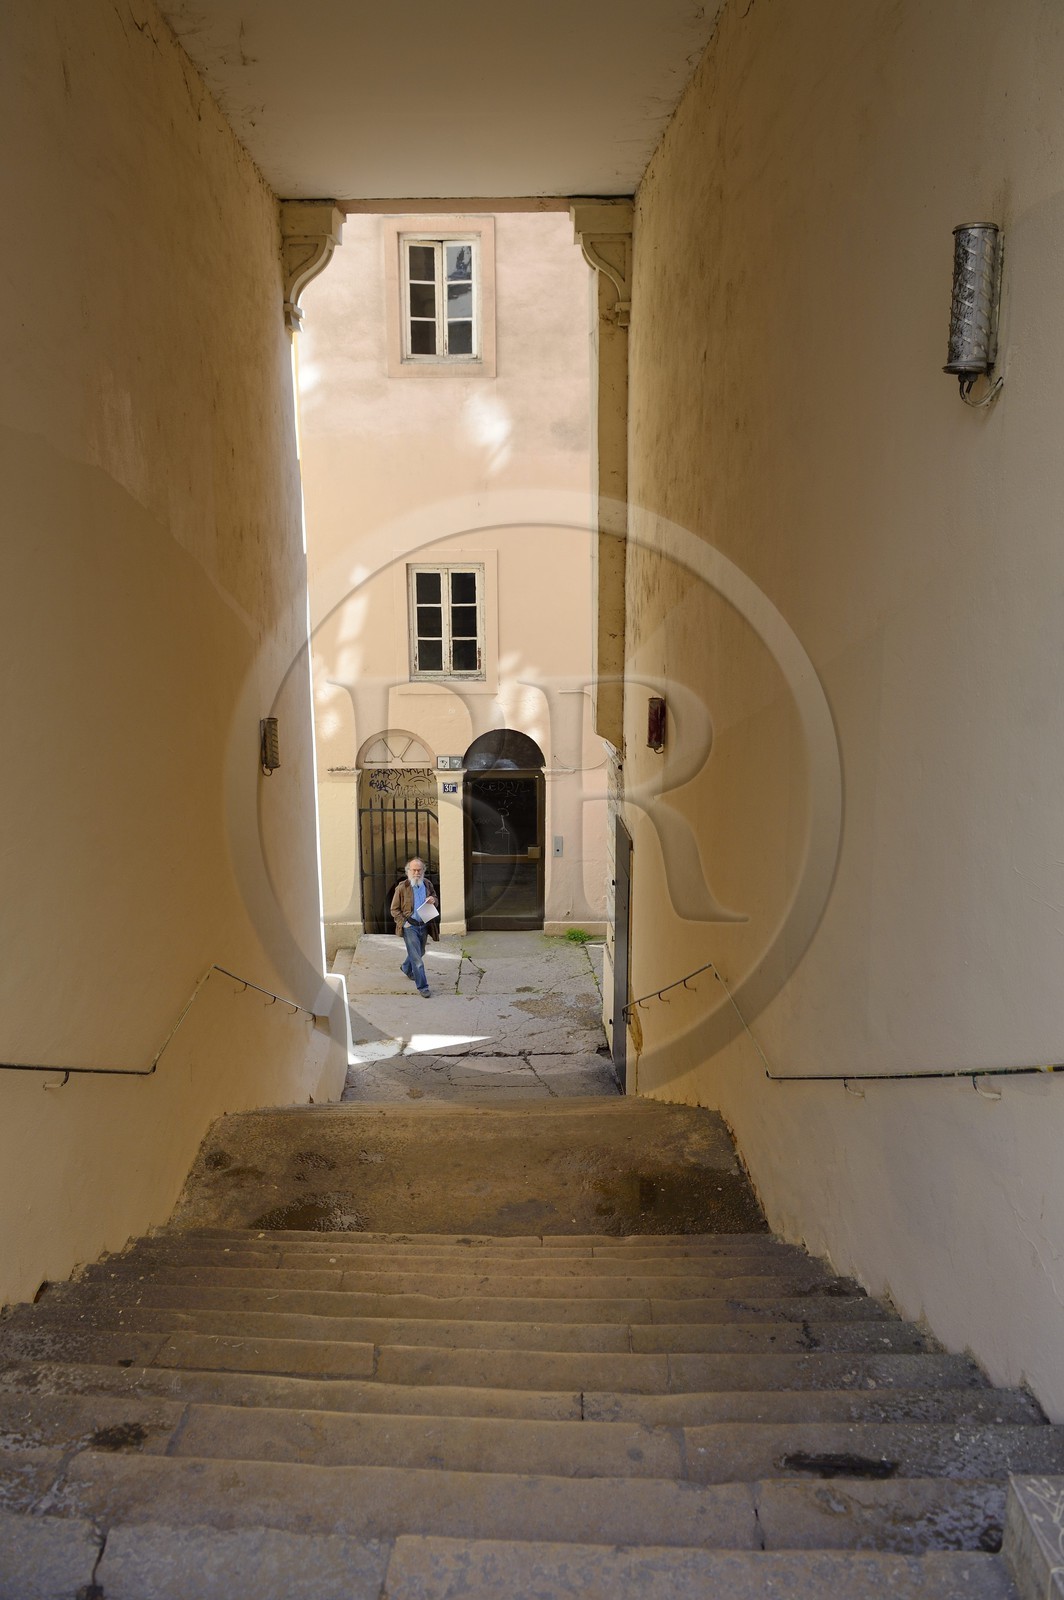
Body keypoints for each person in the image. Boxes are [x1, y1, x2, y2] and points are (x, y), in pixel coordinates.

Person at [390, 857, 439, 998]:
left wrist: (433, 900)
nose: (417, 872)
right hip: (409, 926)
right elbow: (394, 909)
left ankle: (405, 967)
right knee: (417, 960)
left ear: (423, 871)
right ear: (408, 871)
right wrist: (404, 923)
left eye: (419, 870)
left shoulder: (427, 884)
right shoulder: (402, 888)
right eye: (414, 870)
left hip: (423, 924)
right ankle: (423, 987)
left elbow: (435, 898)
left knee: (420, 951)